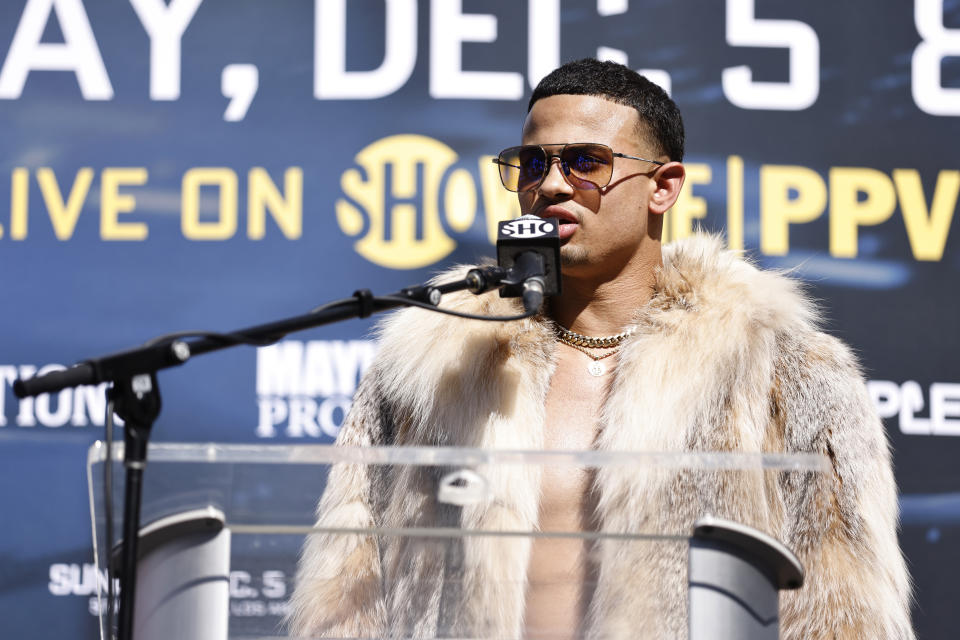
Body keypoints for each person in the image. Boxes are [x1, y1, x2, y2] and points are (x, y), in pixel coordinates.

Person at [288, 58, 914, 639]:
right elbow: (347, 587)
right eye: (532, 165)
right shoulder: (435, 363)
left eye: (586, 161)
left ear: (662, 187)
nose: (552, 185)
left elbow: (845, 606)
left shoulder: (783, 367)